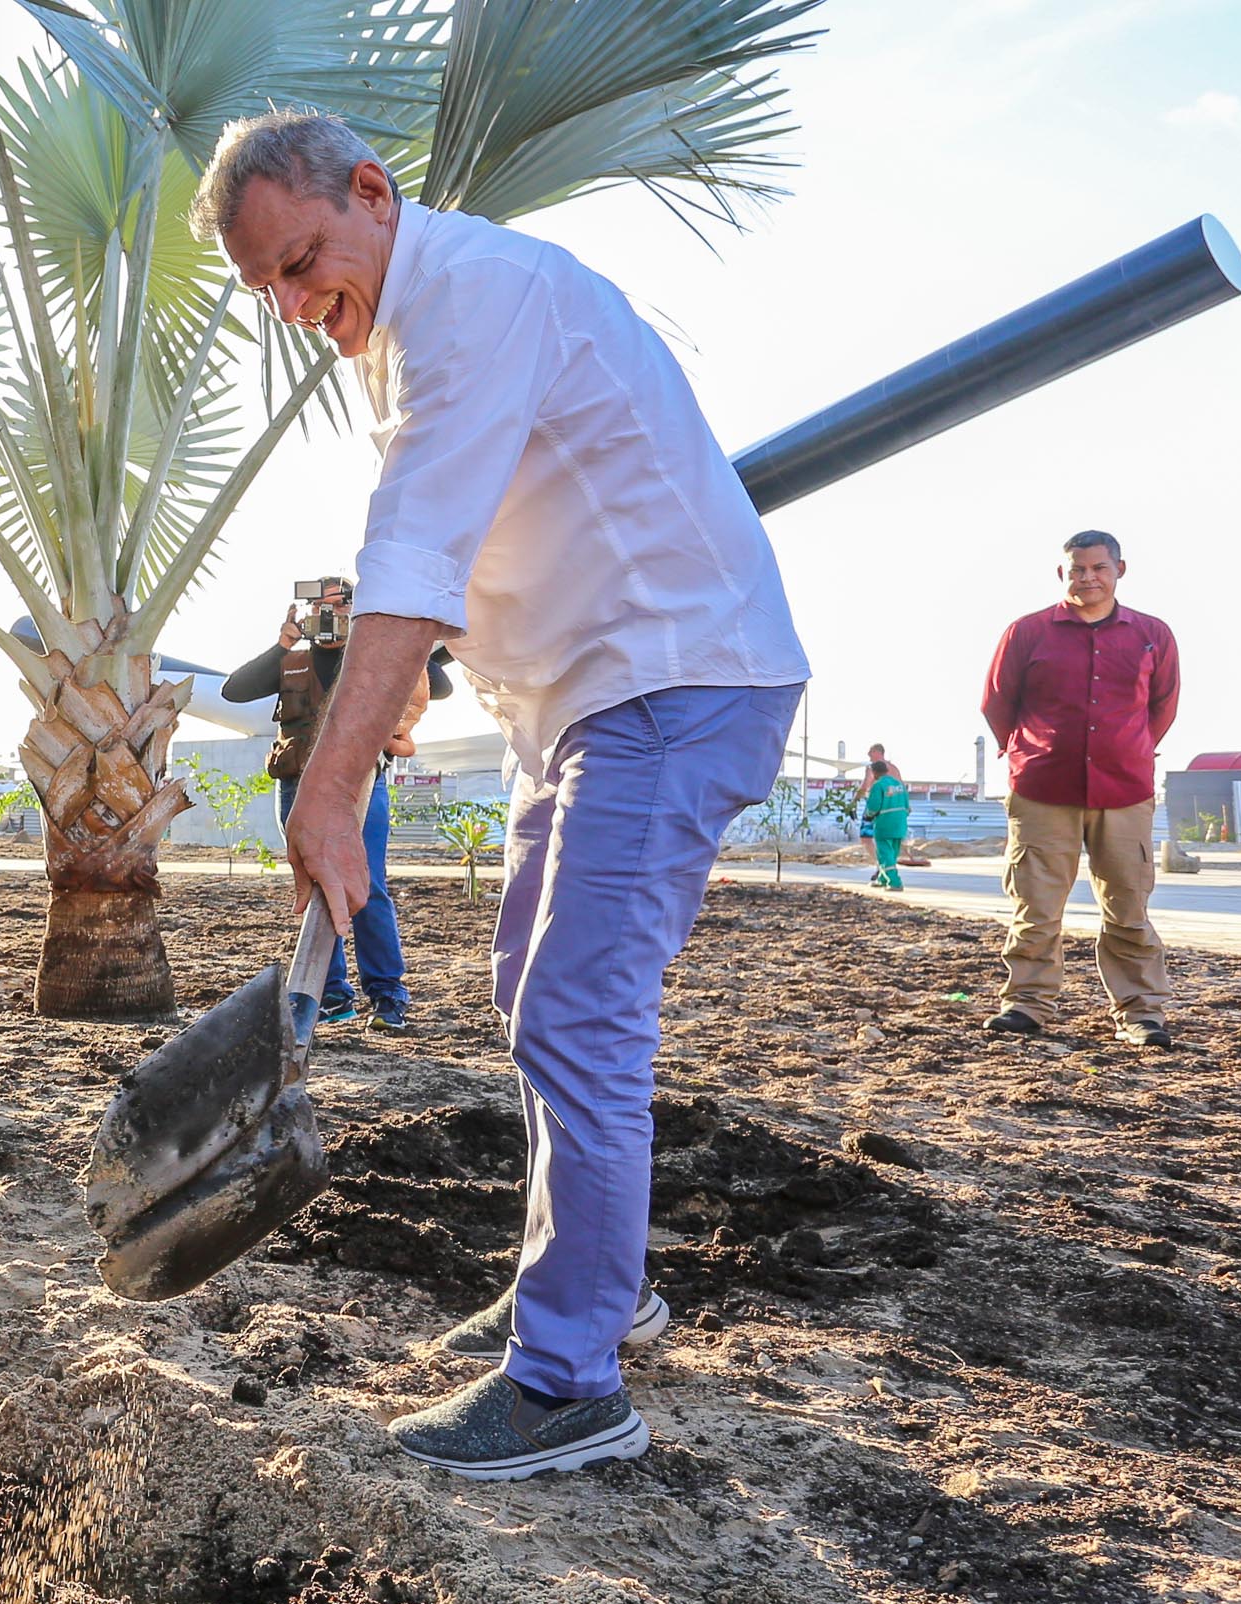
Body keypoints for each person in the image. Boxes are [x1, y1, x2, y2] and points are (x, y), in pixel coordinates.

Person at [201, 107, 807, 1481]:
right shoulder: (412, 325)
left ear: (370, 191)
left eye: (304, 263)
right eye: (271, 291)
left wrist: (332, 781)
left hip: (667, 683)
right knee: (532, 989)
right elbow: (461, 554)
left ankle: (568, 1383)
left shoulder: (472, 301)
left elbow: (413, 550)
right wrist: (401, 687)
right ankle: (598, 1290)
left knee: (580, 1014)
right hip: (588, 697)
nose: (299, 307)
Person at [977, 531, 1179, 1047]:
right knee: (1037, 905)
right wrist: (1027, 753)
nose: (1088, 577)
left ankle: (1141, 1014)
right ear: (1062, 573)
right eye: (1077, 569)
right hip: (1043, 790)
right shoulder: (1027, 633)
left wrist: (1128, 750)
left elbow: (1162, 707)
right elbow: (998, 704)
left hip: (1125, 791)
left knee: (1128, 907)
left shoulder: (1152, 635)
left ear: (1120, 570)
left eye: (1098, 568)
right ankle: (1026, 1004)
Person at [218, 580, 444, 1031]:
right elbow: (234, 691)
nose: (328, 615)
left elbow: (440, 684)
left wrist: (379, 634)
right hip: (297, 787)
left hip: (361, 785)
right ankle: (333, 996)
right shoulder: (293, 659)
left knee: (368, 883)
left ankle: (387, 994)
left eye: (340, 607)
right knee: (317, 882)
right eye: (320, 607)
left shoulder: (374, 659)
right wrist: (282, 643)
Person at [860, 757, 911, 890]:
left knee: (883, 853)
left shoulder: (878, 786)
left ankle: (894, 882)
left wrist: (868, 815)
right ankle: (883, 878)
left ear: (874, 773)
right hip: (900, 824)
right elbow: (907, 807)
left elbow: (873, 807)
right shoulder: (899, 784)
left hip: (884, 824)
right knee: (892, 852)